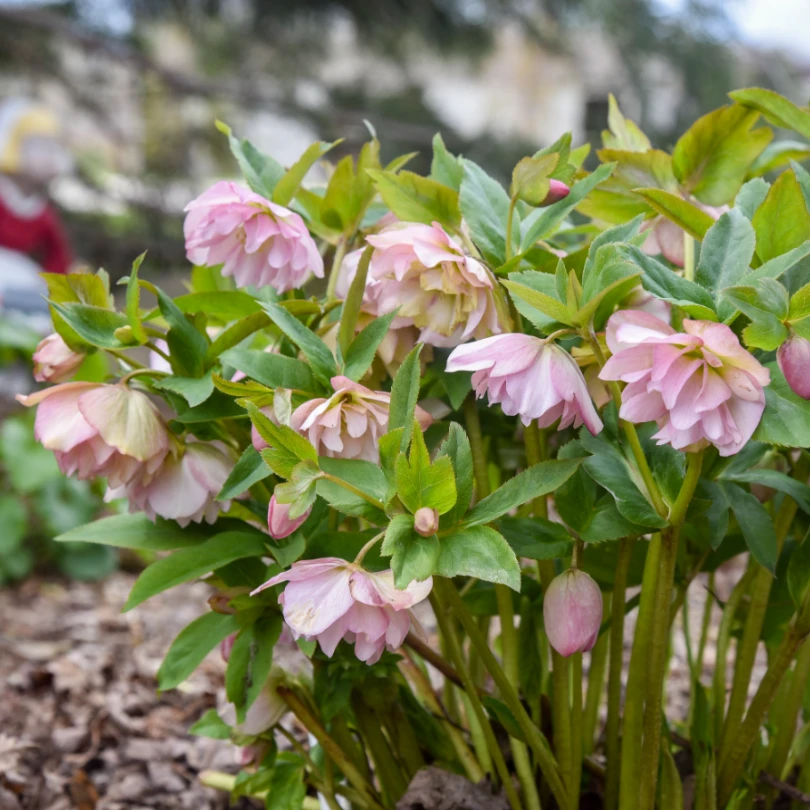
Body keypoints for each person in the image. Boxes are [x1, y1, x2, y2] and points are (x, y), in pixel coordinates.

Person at [0, 97, 73, 275]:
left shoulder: (42, 213)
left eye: (51, 146)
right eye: (37, 145)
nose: (47, 156)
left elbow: (60, 259)